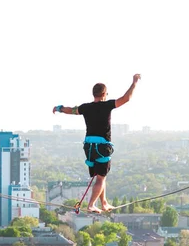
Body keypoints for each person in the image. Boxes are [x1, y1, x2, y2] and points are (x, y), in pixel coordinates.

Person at [53, 74, 141, 213]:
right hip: (102, 147)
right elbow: (126, 98)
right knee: (100, 179)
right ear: (104, 94)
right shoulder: (107, 105)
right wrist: (134, 82)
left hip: (88, 148)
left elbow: (70, 110)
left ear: (94, 94)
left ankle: (104, 203)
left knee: (101, 176)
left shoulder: (85, 107)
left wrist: (59, 108)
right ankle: (91, 205)